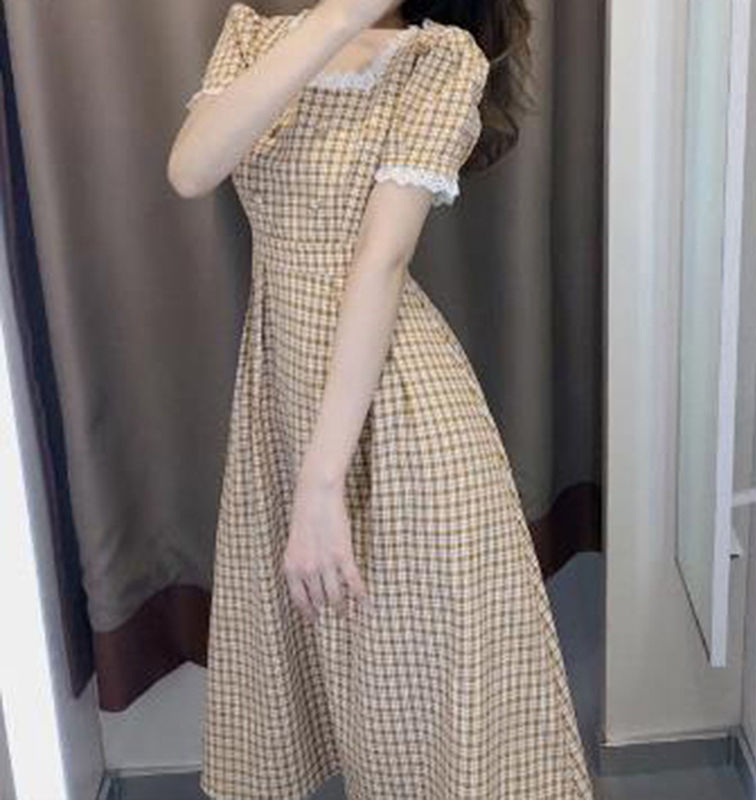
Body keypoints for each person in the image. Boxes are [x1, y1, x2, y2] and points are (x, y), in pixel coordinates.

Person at [167, 1, 594, 797]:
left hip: (395, 412)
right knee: (347, 681)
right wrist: (334, 20)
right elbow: (192, 169)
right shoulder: (253, 35)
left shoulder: (441, 59)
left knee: (416, 695)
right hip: (282, 389)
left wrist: (321, 483)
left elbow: (381, 261)